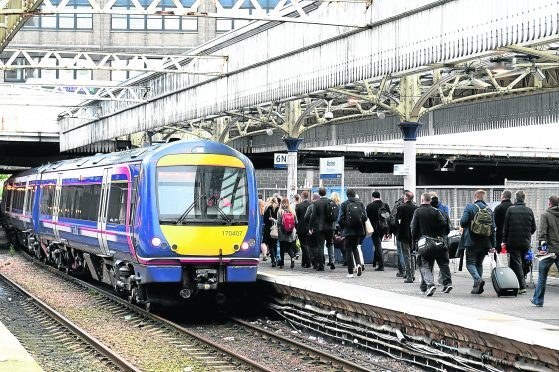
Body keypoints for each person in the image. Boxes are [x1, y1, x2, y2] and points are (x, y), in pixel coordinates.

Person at [411, 193, 451, 296]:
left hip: (424, 242)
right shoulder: (436, 211)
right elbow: (443, 223)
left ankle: (430, 284)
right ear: (430, 200)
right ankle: (446, 283)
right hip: (437, 241)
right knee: (442, 263)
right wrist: (436, 232)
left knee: (423, 264)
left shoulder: (418, 211)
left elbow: (414, 228)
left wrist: (415, 240)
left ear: (422, 199)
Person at [460, 190, 496, 294]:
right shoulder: (489, 210)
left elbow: (463, 223)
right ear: (483, 197)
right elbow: (493, 229)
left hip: (471, 241)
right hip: (485, 242)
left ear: (475, 196)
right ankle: (476, 287)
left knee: (470, 263)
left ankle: (478, 279)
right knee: (479, 263)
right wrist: (492, 245)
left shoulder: (470, 207)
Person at [502, 190, 536, 295]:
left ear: (515, 198)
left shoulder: (510, 210)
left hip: (513, 241)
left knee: (516, 263)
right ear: (524, 198)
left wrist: (504, 241)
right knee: (523, 261)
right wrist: (526, 233)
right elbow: (533, 228)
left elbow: (505, 228)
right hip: (525, 241)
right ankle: (519, 283)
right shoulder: (529, 210)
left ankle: (521, 286)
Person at [531, 196, 559, 307]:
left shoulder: (545, 215)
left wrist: (542, 249)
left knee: (542, 276)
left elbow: (542, 234)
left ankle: (538, 300)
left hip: (550, 252)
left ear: (549, 204)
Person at [338, 188, 366, 278]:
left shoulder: (344, 204)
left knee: (348, 250)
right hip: (359, 230)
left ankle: (350, 272)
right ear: (354, 194)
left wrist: (343, 227)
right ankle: (358, 264)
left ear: (347, 195)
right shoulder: (360, 203)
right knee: (355, 248)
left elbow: (339, 219)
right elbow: (365, 217)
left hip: (348, 230)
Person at [308, 187, 335, 271]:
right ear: (325, 192)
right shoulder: (331, 201)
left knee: (320, 246)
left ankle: (321, 265)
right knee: (330, 243)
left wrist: (310, 227)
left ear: (319, 193)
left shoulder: (316, 203)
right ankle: (332, 261)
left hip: (320, 227)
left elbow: (313, 217)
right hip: (330, 227)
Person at [395, 191, 418, 283]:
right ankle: (413, 274)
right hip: (413, 234)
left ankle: (409, 276)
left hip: (403, 234)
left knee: (406, 255)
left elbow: (397, 221)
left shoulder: (401, 208)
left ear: (405, 198)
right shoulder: (416, 208)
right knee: (412, 254)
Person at [366, 191, 391, 271]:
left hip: (374, 228)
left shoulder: (370, 206)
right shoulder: (385, 205)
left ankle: (381, 265)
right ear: (379, 196)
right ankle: (375, 261)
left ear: (373, 197)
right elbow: (388, 216)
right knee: (378, 243)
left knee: (377, 245)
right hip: (383, 228)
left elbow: (367, 217)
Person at [390, 190, 408, 277]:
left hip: (399, 231)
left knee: (400, 251)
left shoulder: (398, 204)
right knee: (409, 251)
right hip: (410, 232)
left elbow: (392, 218)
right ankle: (409, 271)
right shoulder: (414, 205)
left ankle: (402, 270)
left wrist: (393, 229)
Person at [277, 197, 298, 269]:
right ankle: (292, 257)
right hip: (291, 231)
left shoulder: (280, 211)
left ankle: (282, 264)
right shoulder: (292, 211)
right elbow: (296, 222)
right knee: (289, 247)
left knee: (282, 248)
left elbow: (279, 222)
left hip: (282, 232)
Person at [295, 191, 312, 268]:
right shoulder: (311, 204)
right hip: (310, 228)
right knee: (308, 244)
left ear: (302, 196)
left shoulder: (298, 206)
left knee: (303, 245)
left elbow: (297, 218)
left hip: (301, 227)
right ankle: (304, 262)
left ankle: (308, 262)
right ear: (308, 196)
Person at [304, 193, 320, 269]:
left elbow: (306, 217)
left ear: (313, 199)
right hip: (321, 229)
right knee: (319, 246)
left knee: (311, 246)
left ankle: (315, 262)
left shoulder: (311, 206)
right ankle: (321, 261)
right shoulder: (322, 205)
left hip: (312, 228)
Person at [262, 197, 279, 267]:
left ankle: (273, 260)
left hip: (268, 229)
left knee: (270, 245)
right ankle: (276, 258)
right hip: (276, 229)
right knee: (275, 244)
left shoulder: (268, 208)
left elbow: (264, 219)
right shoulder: (278, 209)